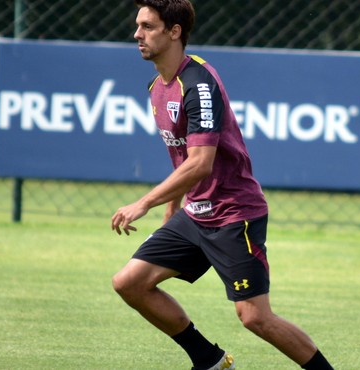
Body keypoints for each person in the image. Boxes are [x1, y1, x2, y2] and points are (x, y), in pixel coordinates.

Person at [111, 1, 334, 369]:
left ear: (175, 31)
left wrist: (145, 203)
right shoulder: (156, 87)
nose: (137, 34)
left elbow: (201, 163)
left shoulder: (197, 83)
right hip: (195, 216)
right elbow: (183, 156)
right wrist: (172, 209)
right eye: (138, 25)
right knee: (129, 282)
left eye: (148, 26)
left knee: (254, 317)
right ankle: (209, 359)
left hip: (233, 214)